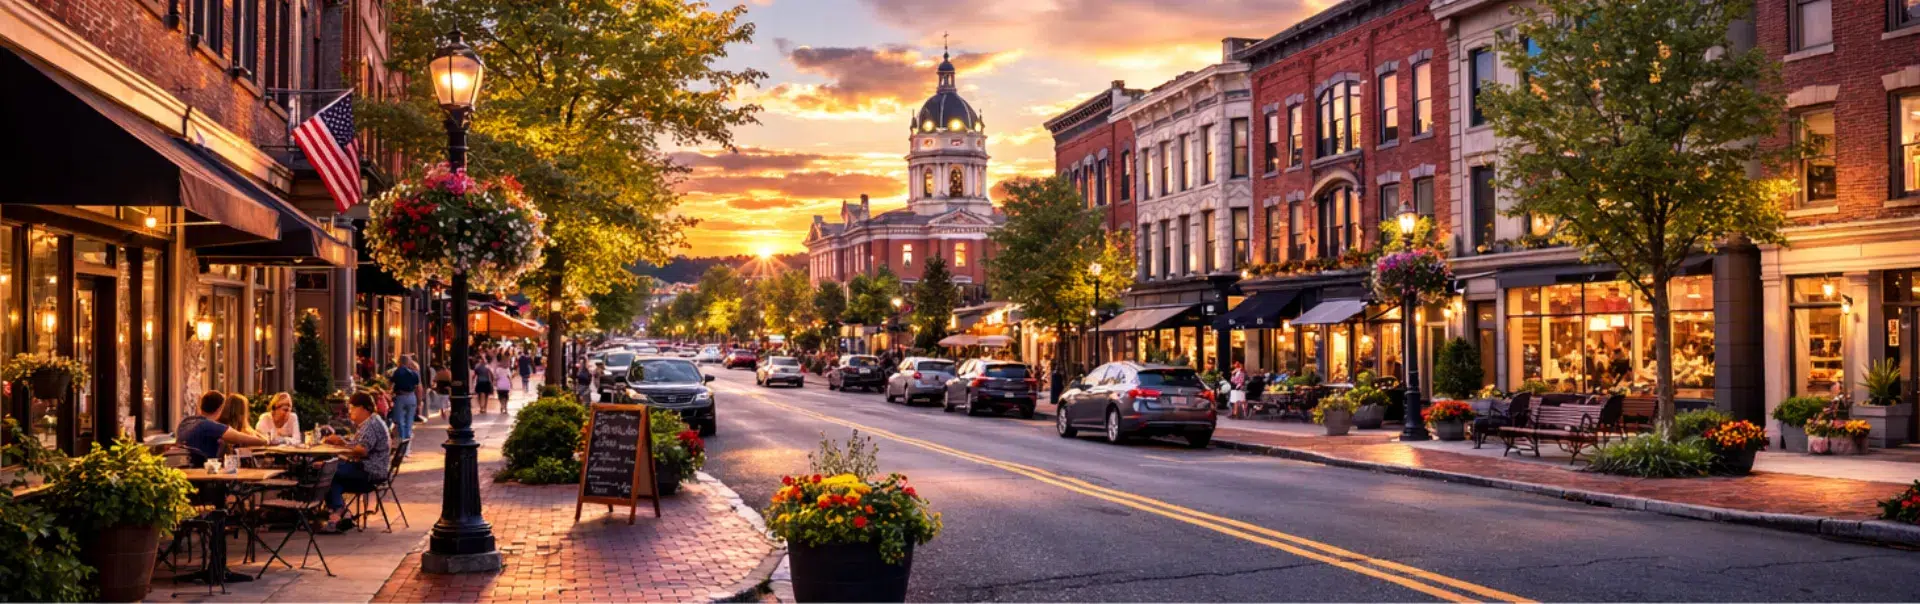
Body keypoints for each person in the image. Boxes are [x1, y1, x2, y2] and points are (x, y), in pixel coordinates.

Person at [319, 393, 391, 533]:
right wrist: (343, 442)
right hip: (368, 468)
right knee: (332, 476)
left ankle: (337, 512)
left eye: (352, 408)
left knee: (327, 472)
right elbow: (358, 445)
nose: (350, 411)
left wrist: (342, 444)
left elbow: (362, 450)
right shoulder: (370, 422)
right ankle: (339, 514)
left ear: (364, 409)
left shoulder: (371, 424)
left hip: (370, 471)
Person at [176, 391, 270, 466]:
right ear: (221, 408)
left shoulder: (186, 422)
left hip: (184, 471)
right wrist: (264, 441)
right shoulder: (210, 425)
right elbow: (237, 437)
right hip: (204, 473)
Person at [389, 355, 422, 439]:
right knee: (409, 420)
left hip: (400, 397)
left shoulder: (397, 371)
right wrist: (419, 402)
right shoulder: (414, 373)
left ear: (399, 362)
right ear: (408, 362)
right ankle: (407, 438)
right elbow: (419, 388)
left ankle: (403, 439)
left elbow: (391, 385)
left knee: (399, 420)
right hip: (411, 397)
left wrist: (390, 393)